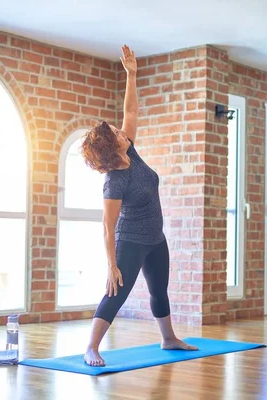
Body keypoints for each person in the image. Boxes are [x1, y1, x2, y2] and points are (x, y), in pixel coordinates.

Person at [79, 45, 198, 367]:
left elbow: (130, 113)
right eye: (116, 133)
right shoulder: (114, 181)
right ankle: (91, 347)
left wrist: (131, 74)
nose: (122, 130)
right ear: (110, 146)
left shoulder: (129, 151)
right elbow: (107, 225)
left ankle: (168, 338)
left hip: (155, 238)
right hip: (130, 241)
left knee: (160, 290)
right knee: (116, 292)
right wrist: (111, 264)